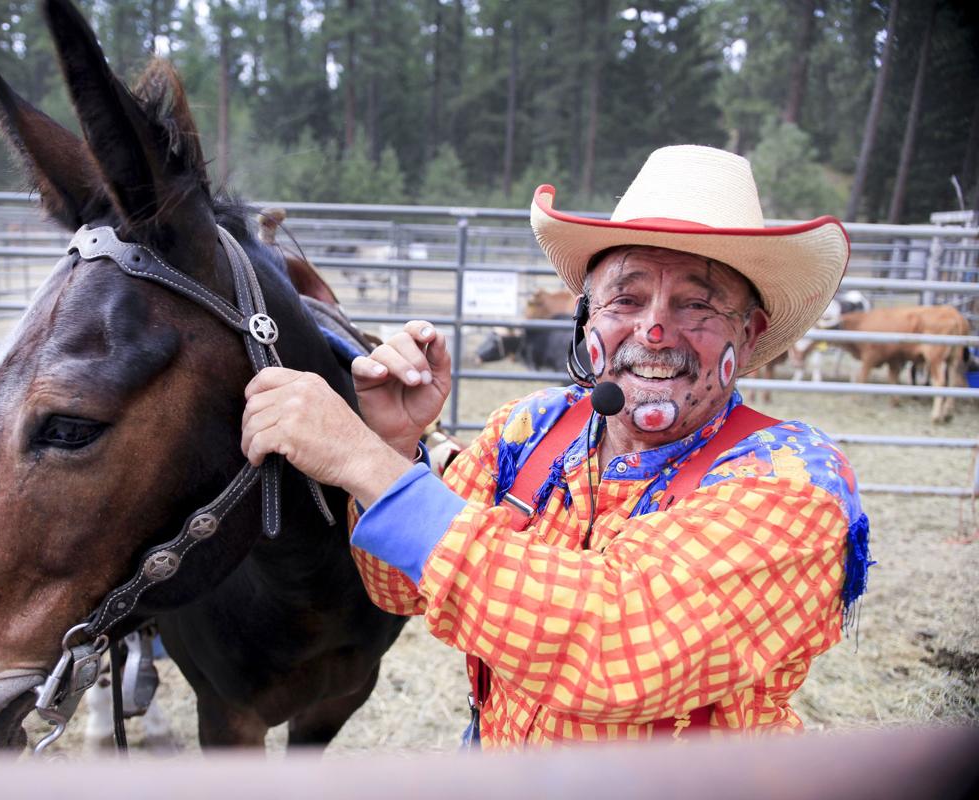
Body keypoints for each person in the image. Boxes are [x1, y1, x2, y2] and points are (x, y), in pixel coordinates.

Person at [240, 145, 871, 747]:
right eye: (625, 298)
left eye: (697, 305)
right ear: (586, 318)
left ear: (751, 333)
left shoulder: (794, 483)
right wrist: (396, 442)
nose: (653, 329)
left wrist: (365, 462)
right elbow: (399, 587)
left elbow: (618, 648)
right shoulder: (532, 428)